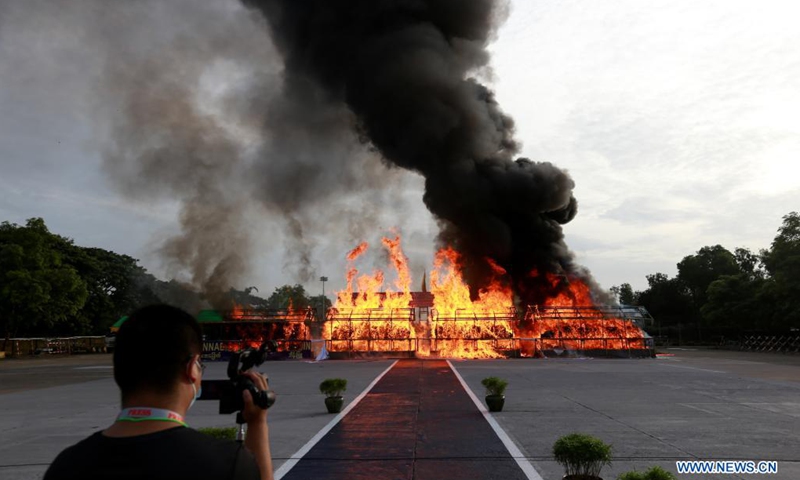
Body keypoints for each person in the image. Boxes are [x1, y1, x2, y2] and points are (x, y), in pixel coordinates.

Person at [44, 304, 274, 480]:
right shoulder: (226, 463)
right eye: (200, 366)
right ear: (191, 369)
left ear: (117, 372)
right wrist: (257, 423)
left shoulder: (66, 466)